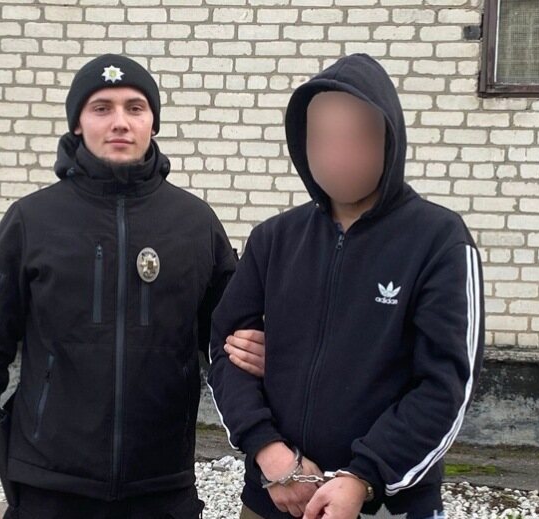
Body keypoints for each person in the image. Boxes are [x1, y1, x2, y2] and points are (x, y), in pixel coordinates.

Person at [0, 54, 266, 519]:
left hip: (161, 485)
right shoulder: (32, 221)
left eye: (135, 108)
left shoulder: (195, 224)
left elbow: (231, 340)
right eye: (101, 108)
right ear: (78, 123)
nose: (120, 122)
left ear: (153, 122)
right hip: (50, 485)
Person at [208, 53, 485, 519]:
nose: (338, 156)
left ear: (389, 140)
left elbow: (446, 385)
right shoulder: (274, 239)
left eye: (357, 136)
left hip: (386, 506)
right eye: (323, 138)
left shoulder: (438, 240)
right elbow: (226, 352)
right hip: (272, 497)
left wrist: (364, 478)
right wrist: (270, 454)